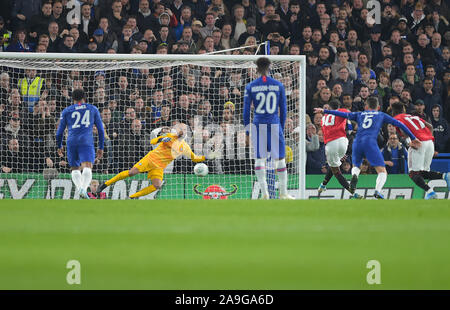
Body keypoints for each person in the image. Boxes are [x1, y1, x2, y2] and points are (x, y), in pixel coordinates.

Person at [314, 97, 421, 199]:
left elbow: (341, 114)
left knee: (352, 166)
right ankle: (377, 191)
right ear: (378, 107)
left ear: (366, 106)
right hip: (362, 142)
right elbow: (399, 124)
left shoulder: (360, 114)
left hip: (355, 142)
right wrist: (413, 137)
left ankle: (353, 178)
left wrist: (324, 111)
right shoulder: (381, 114)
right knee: (382, 171)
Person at [95, 125, 206, 199]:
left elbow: (194, 158)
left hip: (159, 167)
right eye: (180, 129)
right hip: (151, 159)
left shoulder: (185, 147)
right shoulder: (170, 136)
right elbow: (152, 141)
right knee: (131, 173)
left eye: (184, 129)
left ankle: (133, 197)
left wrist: (206, 156)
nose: (182, 131)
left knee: (157, 185)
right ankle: (105, 184)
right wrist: (161, 139)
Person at [243, 57, 294, 200]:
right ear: (270, 67)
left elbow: (246, 112)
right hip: (274, 124)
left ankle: (265, 192)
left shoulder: (251, 86)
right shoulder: (278, 85)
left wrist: (247, 132)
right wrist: (282, 128)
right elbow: (283, 110)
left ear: (257, 68)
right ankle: (283, 193)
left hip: (258, 125)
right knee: (280, 160)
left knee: (259, 159)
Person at [391, 102, 450, 199]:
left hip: (417, 143)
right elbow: (430, 126)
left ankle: (430, 192)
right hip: (430, 143)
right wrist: (431, 141)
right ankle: (445, 176)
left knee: (413, 174)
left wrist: (408, 142)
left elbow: (403, 129)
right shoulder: (412, 116)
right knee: (422, 172)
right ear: (404, 110)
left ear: (393, 111)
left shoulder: (397, 118)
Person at [56, 89, 105, 199]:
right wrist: (101, 147)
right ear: (85, 97)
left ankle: (80, 189)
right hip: (86, 141)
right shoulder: (92, 109)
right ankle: (83, 188)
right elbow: (101, 130)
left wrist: (59, 145)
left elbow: (59, 132)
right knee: (87, 166)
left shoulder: (66, 111)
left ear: (72, 98)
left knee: (75, 168)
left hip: (71, 141)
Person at [317, 100, 362, 198]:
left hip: (330, 143)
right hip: (343, 141)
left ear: (329, 107)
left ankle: (352, 192)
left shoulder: (324, 118)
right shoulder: (342, 110)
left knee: (336, 171)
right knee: (333, 164)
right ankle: (323, 184)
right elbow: (351, 116)